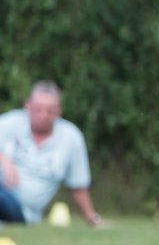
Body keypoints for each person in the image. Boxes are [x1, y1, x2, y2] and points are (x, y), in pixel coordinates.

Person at [0, 81, 104, 228]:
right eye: (38, 109)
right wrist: (2, 158)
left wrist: (92, 219)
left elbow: (78, 186)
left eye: (50, 110)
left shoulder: (71, 137)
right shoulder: (8, 123)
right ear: (27, 106)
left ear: (59, 111)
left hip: (22, 212)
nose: (43, 115)